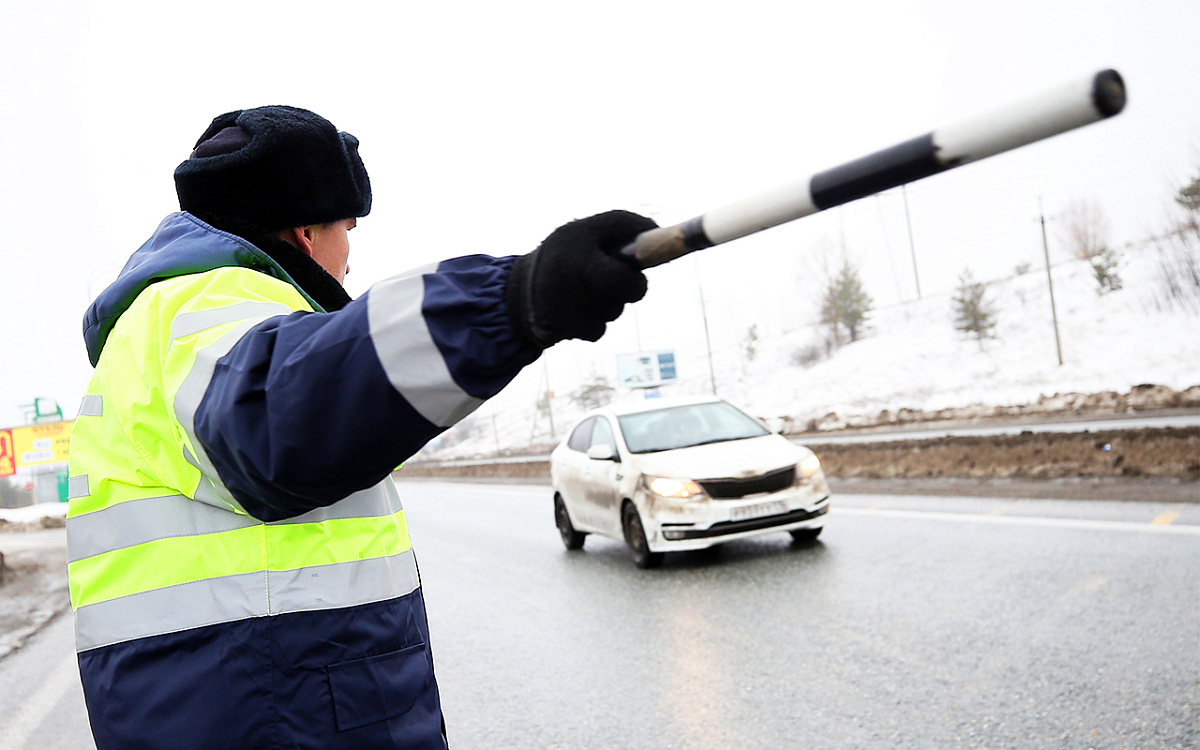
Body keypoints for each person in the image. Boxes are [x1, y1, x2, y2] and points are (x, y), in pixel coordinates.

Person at [66, 105, 655, 750]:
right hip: (271, 707)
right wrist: (510, 300)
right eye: (347, 227)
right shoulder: (198, 305)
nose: (350, 256)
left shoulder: (173, 321)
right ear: (305, 231)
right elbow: (283, 411)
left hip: (249, 696)